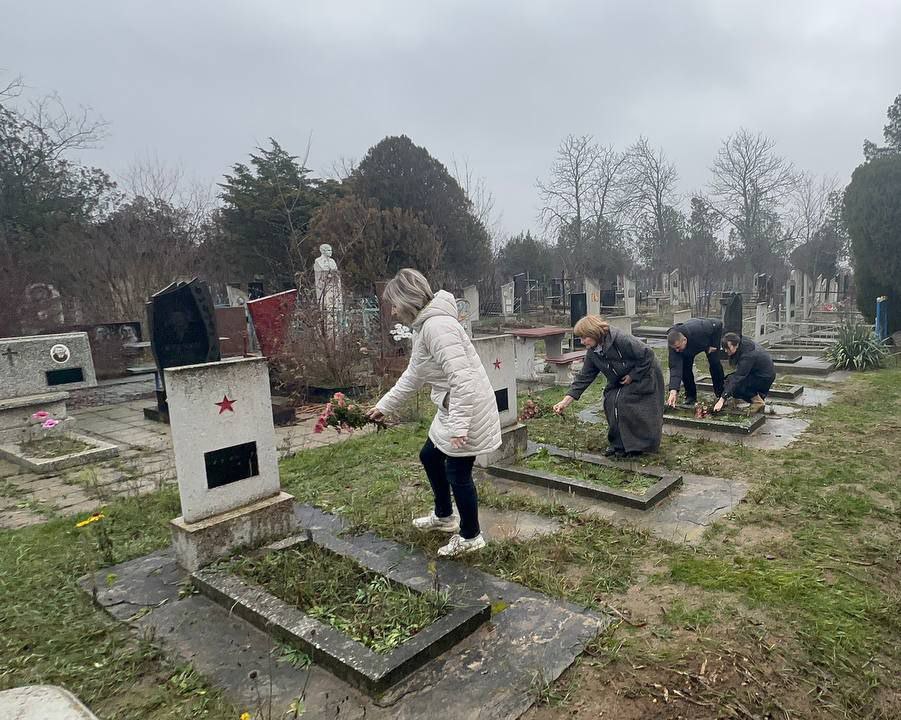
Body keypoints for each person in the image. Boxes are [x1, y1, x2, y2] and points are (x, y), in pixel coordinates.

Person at [366, 269, 501, 557]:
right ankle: (444, 516)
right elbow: (414, 375)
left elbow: (462, 379)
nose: (392, 311)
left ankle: (471, 536)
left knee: (458, 472)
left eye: (394, 304)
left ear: (407, 300)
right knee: (430, 456)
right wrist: (384, 406)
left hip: (467, 409)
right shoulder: (424, 326)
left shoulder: (437, 327)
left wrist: (459, 427)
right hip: (452, 406)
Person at [553, 315, 664, 458]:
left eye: (584, 337)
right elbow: (584, 377)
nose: (582, 342)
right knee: (610, 401)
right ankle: (619, 444)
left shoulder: (621, 339)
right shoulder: (593, 352)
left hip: (644, 375)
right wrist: (565, 402)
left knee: (625, 403)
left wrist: (633, 375)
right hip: (621, 379)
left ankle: (638, 446)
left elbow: (648, 355)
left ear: (594, 333)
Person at [665, 318, 725, 408]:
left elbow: (718, 324)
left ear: (684, 340)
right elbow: (675, 367)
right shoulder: (674, 344)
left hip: (708, 337)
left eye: (678, 347)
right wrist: (673, 390)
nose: (676, 350)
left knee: (714, 363)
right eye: (675, 348)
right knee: (685, 369)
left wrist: (712, 345)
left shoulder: (702, 329)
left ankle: (721, 394)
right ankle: (691, 397)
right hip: (691, 346)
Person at [713, 332, 776, 414]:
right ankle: (757, 397)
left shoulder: (748, 356)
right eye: (724, 348)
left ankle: (758, 402)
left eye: (728, 348)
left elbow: (738, 377)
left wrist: (722, 400)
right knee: (729, 380)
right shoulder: (741, 342)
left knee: (735, 385)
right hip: (757, 373)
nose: (725, 350)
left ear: (736, 345)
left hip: (764, 377)